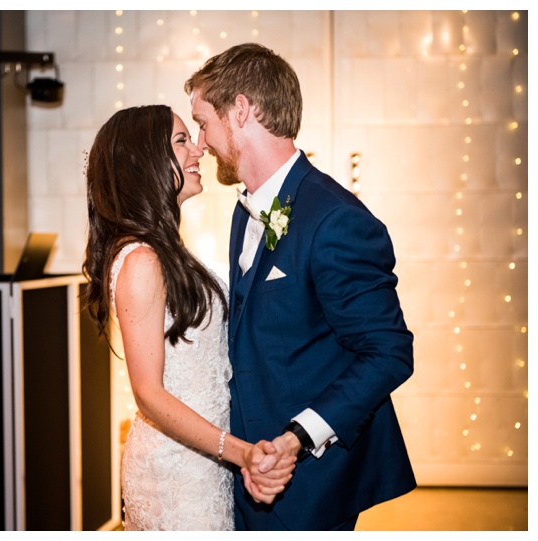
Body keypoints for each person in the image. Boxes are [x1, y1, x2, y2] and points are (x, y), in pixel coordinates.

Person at [184, 43, 417, 531]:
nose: (201, 144)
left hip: (310, 481)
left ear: (241, 110)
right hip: (247, 470)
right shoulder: (241, 210)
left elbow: (388, 352)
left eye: (203, 123)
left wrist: (295, 437)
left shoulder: (336, 219)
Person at [82, 105, 295, 531]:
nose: (198, 148)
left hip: (204, 461)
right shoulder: (141, 260)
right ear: (146, 162)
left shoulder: (166, 250)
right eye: (181, 140)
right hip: (175, 474)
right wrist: (240, 453)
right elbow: (148, 393)